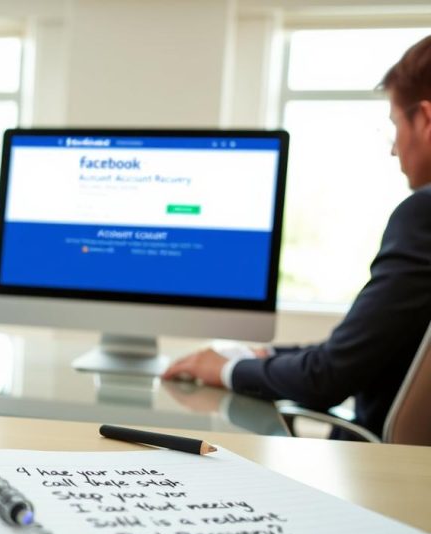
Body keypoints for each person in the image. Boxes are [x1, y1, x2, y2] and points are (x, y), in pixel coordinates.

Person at [162, 34, 431, 440]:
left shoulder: (423, 213)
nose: (394, 149)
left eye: (394, 124)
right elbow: (364, 350)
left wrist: (224, 369)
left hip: (384, 474)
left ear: (424, 120)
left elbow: (330, 377)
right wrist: (264, 355)